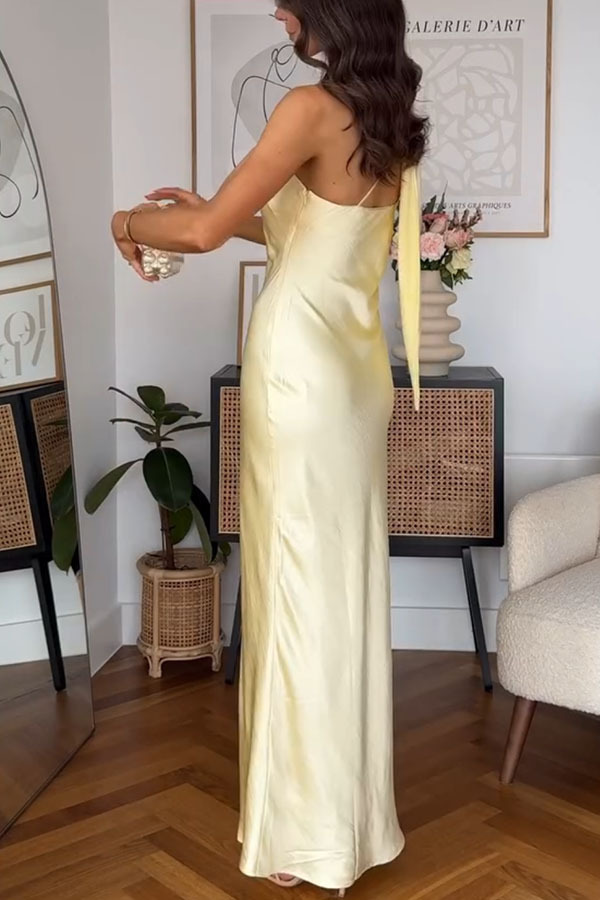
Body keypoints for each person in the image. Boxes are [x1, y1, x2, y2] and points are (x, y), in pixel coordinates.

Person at [111, 0, 428, 893]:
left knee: (292, 589)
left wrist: (126, 225)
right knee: (337, 587)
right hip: (354, 375)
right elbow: (311, 228)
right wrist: (217, 209)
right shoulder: (388, 116)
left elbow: (202, 235)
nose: (280, 11)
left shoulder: (308, 107)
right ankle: (344, 828)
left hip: (297, 371)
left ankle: (302, 837)